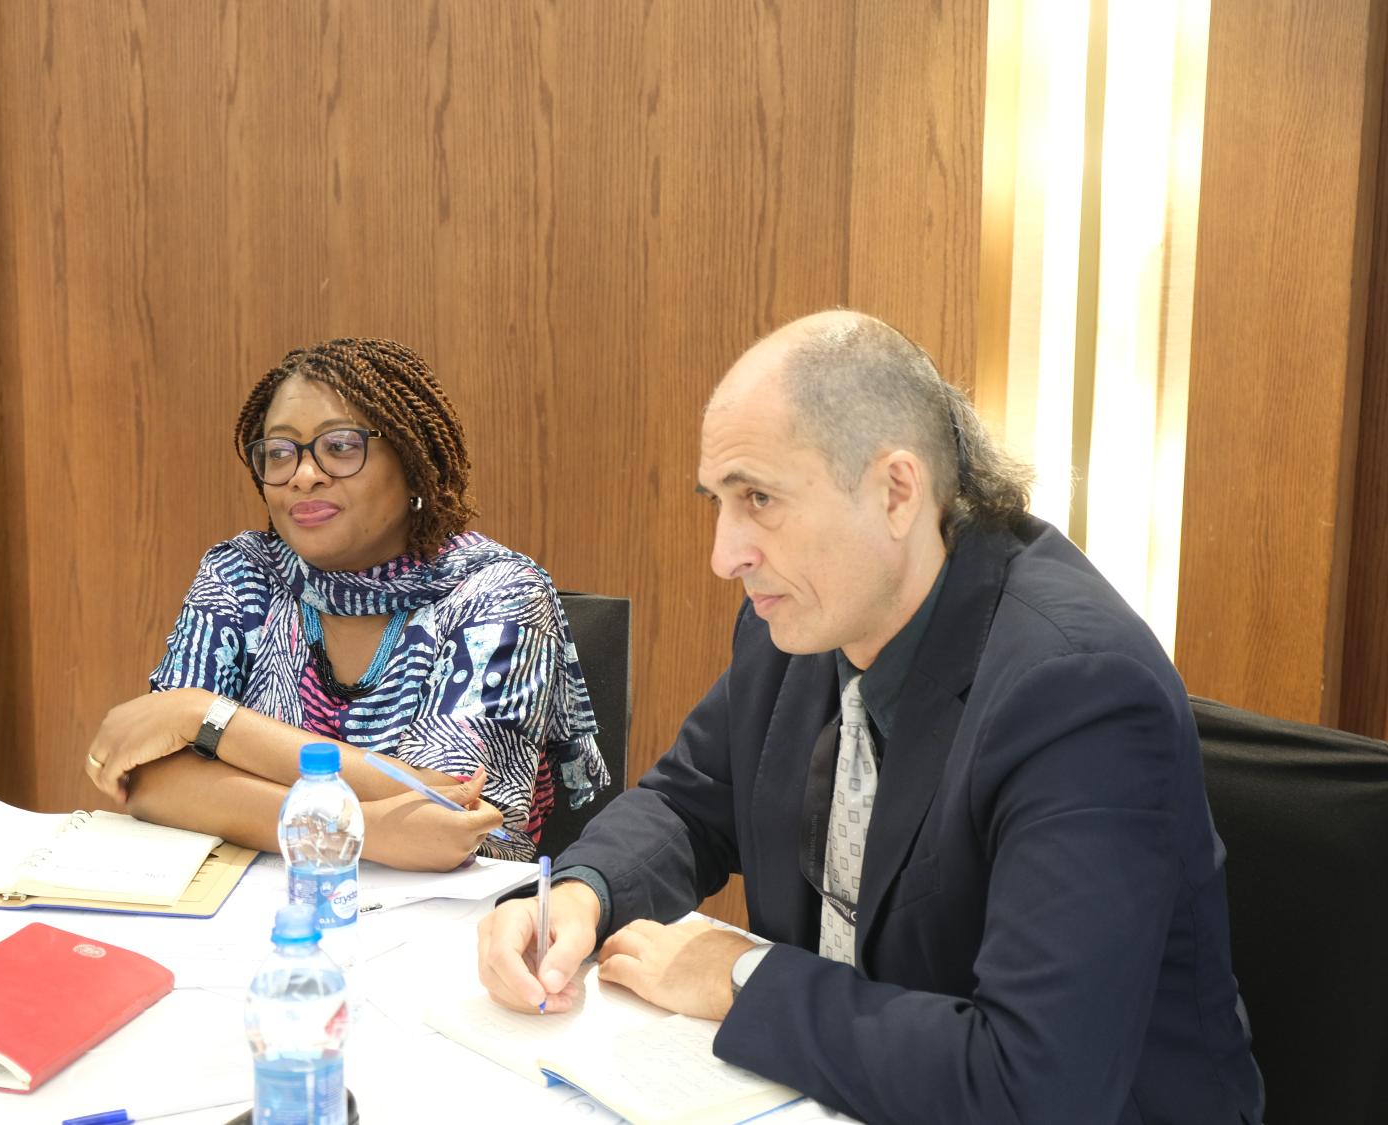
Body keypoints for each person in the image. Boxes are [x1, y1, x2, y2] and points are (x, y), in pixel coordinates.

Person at [477, 311, 1264, 1124]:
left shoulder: (1076, 691)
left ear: (896, 491)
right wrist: (584, 892)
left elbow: (1033, 1083)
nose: (724, 554)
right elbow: (688, 803)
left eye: (759, 499)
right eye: (719, 501)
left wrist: (741, 978)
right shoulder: (802, 620)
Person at [85, 338, 608, 870]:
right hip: (258, 905)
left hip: (452, 914)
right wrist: (356, 828)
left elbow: (454, 808)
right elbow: (149, 776)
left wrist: (205, 718)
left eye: (339, 446)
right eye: (280, 452)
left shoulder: (497, 591)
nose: (302, 474)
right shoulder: (244, 574)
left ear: (413, 464)